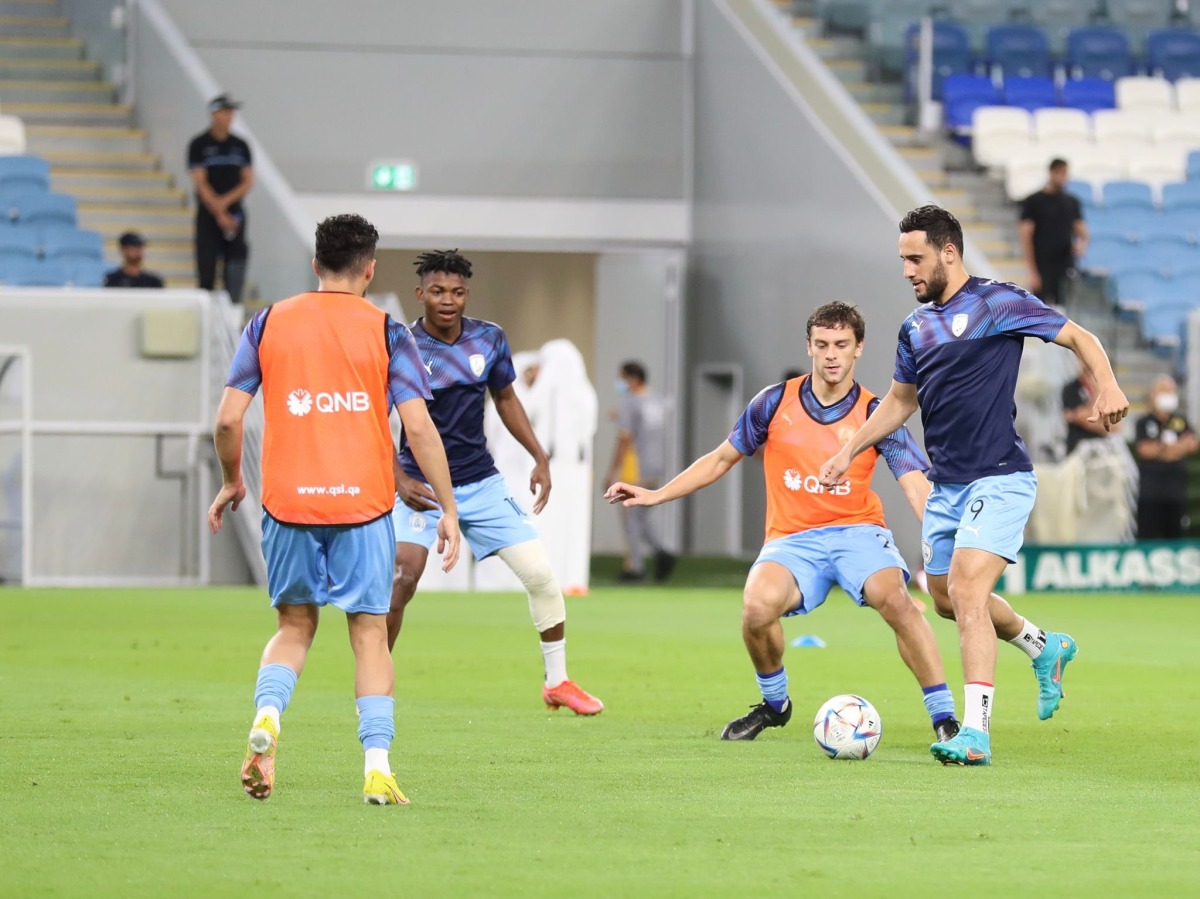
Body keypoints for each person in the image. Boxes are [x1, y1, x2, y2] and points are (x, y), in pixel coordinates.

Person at [821, 205, 1128, 766]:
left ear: (949, 253)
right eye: (902, 260)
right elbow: (899, 402)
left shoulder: (999, 302)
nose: (908, 270)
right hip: (947, 488)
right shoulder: (915, 328)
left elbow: (1079, 336)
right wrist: (848, 448)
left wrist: (1106, 386)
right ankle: (1044, 646)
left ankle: (975, 734)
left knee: (965, 590)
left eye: (915, 259)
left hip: (1002, 478)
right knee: (947, 599)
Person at [607, 301, 961, 745]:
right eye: (822, 345)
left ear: (859, 349)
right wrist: (657, 495)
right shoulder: (773, 403)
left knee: (895, 600)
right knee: (756, 608)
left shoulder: (878, 412)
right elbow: (720, 460)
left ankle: (944, 717)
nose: (832, 354)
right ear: (809, 347)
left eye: (842, 345)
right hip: (792, 539)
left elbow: (914, 484)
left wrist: (943, 546)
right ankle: (775, 705)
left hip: (858, 531)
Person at [207, 214, 461, 805]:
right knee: (370, 635)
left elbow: (226, 419)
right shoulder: (388, 332)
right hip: (363, 509)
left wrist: (231, 481)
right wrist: (447, 507)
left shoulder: (268, 322)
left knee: (294, 628)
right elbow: (419, 427)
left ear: (315, 265)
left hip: (289, 504)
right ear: (369, 269)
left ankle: (267, 719)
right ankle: (377, 766)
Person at [389, 249, 603, 715]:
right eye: (439, 291)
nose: (449, 300)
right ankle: (374, 679)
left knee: (542, 576)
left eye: (458, 292)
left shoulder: (488, 339)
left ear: (467, 295)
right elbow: (370, 416)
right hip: (421, 490)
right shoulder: (400, 344)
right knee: (402, 579)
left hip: (480, 484)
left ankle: (558, 681)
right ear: (420, 293)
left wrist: (539, 455)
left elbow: (505, 398)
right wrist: (397, 474)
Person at [604, 361, 676, 583]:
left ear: (633, 379)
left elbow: (624, 439)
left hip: (636, 465)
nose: (620, 384)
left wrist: (612, 471)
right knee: (642, 516)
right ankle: (661, 553)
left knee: (632, 516)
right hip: (656, 465)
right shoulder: (655, 400)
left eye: (622, 379)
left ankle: (635, 566)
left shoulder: (630, 402)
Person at [188, 93, 253, 303]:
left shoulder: (240, 145)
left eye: (231, 112)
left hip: (234, 213)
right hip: (208, 214)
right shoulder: (199, 145)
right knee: (206, 266)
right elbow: (200, 182)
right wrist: (218, 210)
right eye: (225, 112)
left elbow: (247, 181)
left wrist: (226, 205)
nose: (229, 116)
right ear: (214, 114)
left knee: (235, 267)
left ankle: (233, 313)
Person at [1133, 374, 1198, 539]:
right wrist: (1174, 448)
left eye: (1172, 391)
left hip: (1176, 492)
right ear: (1154, 394)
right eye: (1165, 391)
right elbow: (1145, 450)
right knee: (1148, 538)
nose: (1170, 394)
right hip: (1151, 494)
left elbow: (1192, 444)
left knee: (1176, 537)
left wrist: (1163, 449)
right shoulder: (1144, 422)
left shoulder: (1180, 420)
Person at [1018, 158, 1088, 307]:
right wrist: (1032, 270)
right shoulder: (1034, 201)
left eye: (1065, 173)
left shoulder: (1071, 202)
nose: (1063, 178)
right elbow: (1026, 236)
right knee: (1039, 308)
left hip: (1064, 263)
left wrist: (1081, 244)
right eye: (1060, 173)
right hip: (1042, 263)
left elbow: (1082, 230)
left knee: (1062, 308)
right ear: (1052, 173)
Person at [1062, 364, 1116, 455]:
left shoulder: (1105, 390)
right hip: (1078, 446)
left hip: (1101, 447)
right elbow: (1088, 419)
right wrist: (1096, 393)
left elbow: (1115, 426)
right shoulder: (1071, 389)